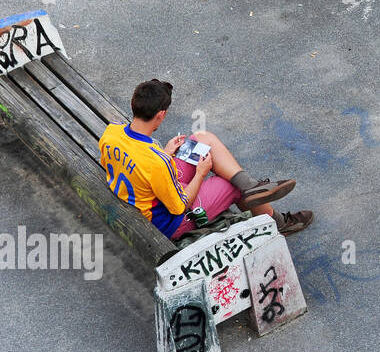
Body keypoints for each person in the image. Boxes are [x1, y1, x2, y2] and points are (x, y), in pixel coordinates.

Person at [97, 79, 314, 238]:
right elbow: (179, 207)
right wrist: (200, 174)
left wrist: (166, 153)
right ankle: (277, 222)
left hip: (151, 187)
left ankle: (252, 187)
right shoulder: (157, 162)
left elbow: (115, 165)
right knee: (229, 184)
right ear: (161, 114)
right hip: (167, 221)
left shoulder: (112, 132)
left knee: (201, 139)